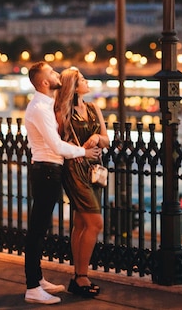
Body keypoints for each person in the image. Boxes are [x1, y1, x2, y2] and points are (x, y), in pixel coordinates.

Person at [24, 61, 101, 305]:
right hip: (46, 170)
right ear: (44, 82)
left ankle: (38, 280)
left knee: (41, 227)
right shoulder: (40, 108)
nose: (57, 74)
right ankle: (33, 287)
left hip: (50, 170)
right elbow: (56, 146)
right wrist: (84, 152)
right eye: (52, 73)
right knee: (37, 230)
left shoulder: (46, 105)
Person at [54, 67, 109, 298]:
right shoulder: (62, 111)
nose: (87, 82)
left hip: (93, 171)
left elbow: (106, 140)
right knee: (95, 223)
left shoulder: (94, 108)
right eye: (83, 79)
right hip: (74, 169)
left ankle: (78, 276)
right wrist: (81, 149)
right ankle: (82, 276)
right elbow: (58, 143)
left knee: (81, 223)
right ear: (74, 87)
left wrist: (97, 138)